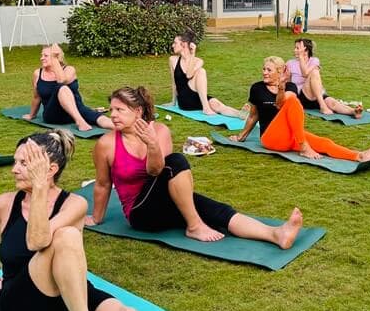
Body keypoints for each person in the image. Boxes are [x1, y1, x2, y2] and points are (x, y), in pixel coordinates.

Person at [0, 129, 237, 311]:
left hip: (69, 294)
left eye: (24, 163)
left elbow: (41, 242)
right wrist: (3, 275)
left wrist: (41, 187)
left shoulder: (74, 204)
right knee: (66, 236)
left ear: (51, 169)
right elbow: (32, 243)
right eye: (16, 161)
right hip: (22, 304)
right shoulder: (5, 202)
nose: (14, 169)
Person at [89, 86, 303, 247]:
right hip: (141, 213)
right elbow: (103, 184)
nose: (113, 115)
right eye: (111, 110)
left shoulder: (160, 130)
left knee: (215, 210)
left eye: (119, 110)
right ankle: (194, 226)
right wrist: (97, 218)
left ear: (137, 111)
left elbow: (161, 175)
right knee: (175, 162)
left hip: (166, 200)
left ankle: (276, 234)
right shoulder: (106, 144)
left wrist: (152, 143)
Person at [230, 57, 370, 162]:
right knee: (294, 103)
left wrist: (282, 87)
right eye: (263, 69)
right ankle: (304, 148)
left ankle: (360, 156)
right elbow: (253, 115)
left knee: (324, 143)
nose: (264, 72)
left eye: (269, 70)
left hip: (291, 136)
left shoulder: (290, 87)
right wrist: (241, 136)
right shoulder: (257, 88)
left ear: (280, 72)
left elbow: (283, 102)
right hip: (270, 138)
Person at [24, 44, 113, 132]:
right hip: (53, 115)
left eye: (46, 56)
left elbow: (61, 79)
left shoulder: (69, 70)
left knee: (98, 117)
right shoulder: (38, 73)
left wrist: (55, 59)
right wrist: (31, 115)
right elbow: (37, 97)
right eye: (41, 55)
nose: (41, 58)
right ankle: (80, 121)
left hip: (77, 109)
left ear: (57, 57)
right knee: (61, 88)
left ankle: (123, 128)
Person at [168, 31, 241, 117]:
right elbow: (176, 82)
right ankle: (206, 108)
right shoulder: (173, 60)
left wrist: (192, 54)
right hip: (185, 101)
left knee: (217, 105)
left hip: (199, 97)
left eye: (175, 43)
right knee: (201, 71)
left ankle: (242, 114)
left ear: (183, 44)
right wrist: (173, 102)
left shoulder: (198, 61)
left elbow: (189, 75)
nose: (173, 45)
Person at [286, 38, 363, 118]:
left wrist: (302, 57)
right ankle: (322, 106)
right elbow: (303, 75)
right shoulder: (290, 63)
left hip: (317, 95)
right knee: (315, 72)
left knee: (332, 103)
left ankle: (354, 112)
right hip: (302, 96)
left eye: (297, 48)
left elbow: (305, 73)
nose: (294, 50)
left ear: (305, 50)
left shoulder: (314, 61)